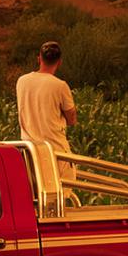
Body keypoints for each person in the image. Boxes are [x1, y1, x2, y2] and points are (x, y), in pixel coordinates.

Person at [15, 41, 78, 177]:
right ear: (59, 62)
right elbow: (72, 120)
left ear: (39, 58)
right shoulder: (60, 86)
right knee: (62, 194)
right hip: (55, 152)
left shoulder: (22, 81)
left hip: (30, 152)